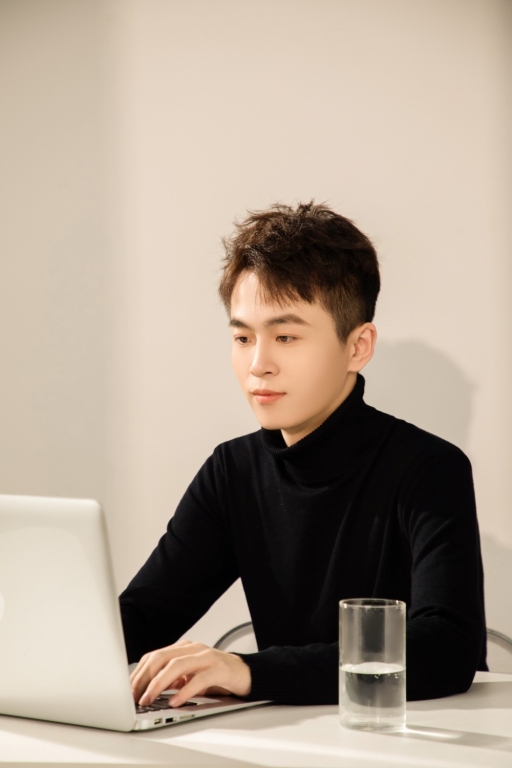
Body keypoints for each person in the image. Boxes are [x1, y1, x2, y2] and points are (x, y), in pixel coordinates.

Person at [122, 201, 487, 710]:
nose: (258, 364)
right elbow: (142, 618)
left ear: (358, 347)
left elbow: (448, 648)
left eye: (286, 337)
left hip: (405, 734)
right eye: (242, 337)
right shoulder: (232, 471)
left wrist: (250, 671)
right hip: (285, 737)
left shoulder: (429, 468)